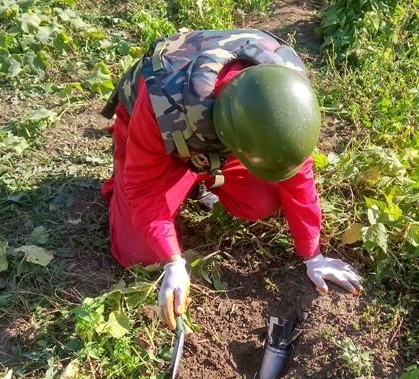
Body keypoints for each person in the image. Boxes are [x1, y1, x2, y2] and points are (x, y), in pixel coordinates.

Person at [100, 29, 363, 330]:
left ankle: (200, 177)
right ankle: (185, 177)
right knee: (140, 254)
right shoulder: (161, 103)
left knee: (261, 199)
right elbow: (143, 189)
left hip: (222, 135)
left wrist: (312, 255)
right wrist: (173, 261)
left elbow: (298, 177)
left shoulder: (282, 101)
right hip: (159, 142)